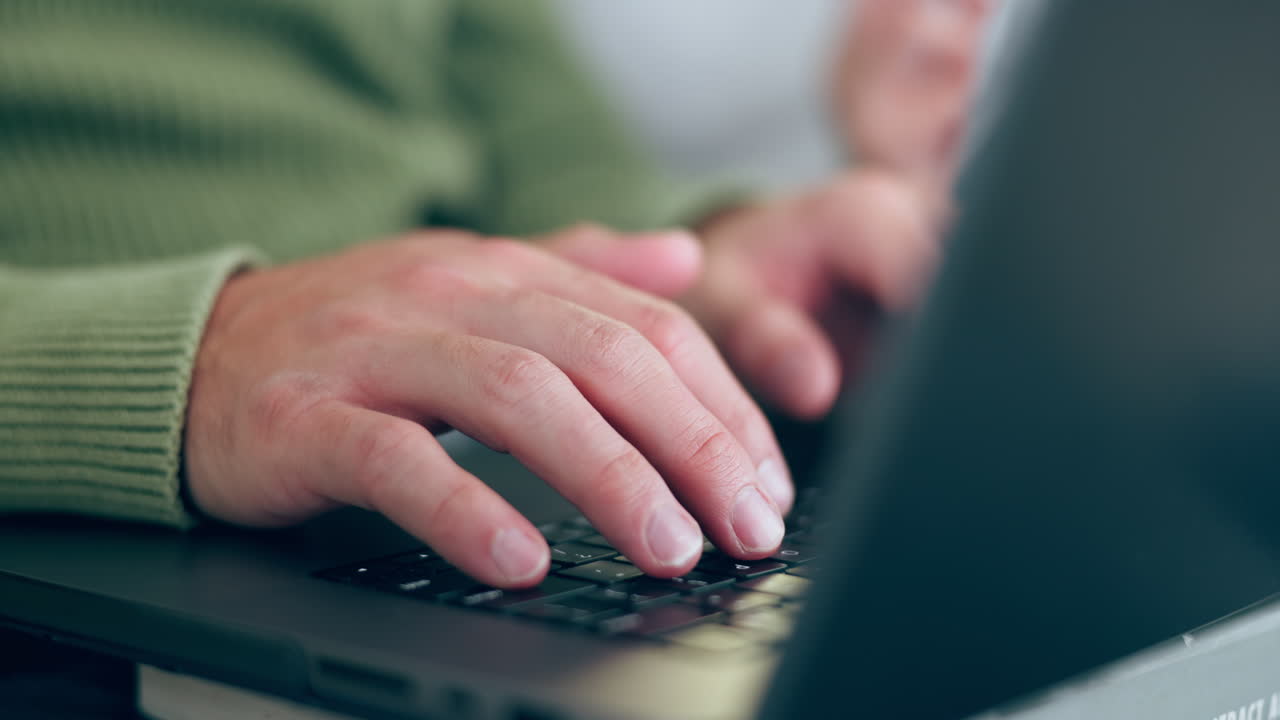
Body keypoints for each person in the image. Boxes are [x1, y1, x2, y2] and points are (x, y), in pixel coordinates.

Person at [0, 0, 992, 590]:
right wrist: (191, 361)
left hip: (443, 461)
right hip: (77, 526)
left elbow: (544, 150)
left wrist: (699, 262)